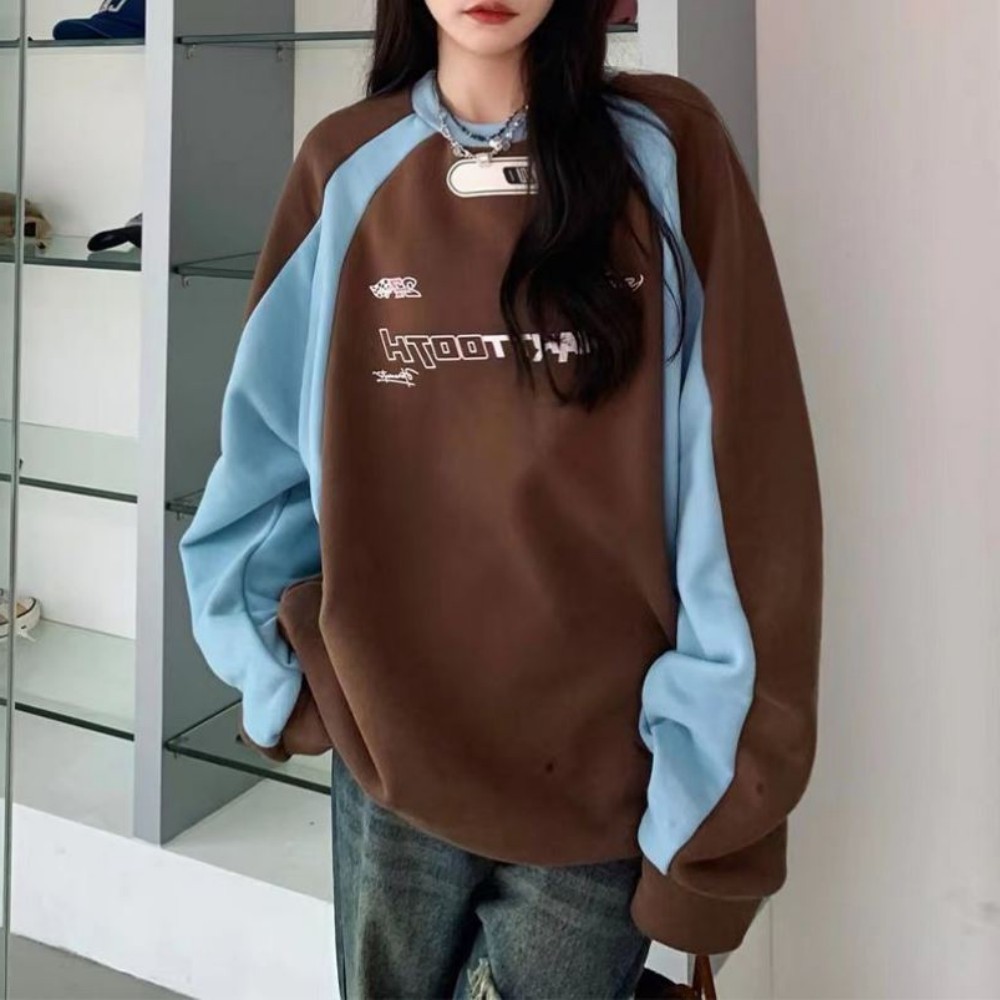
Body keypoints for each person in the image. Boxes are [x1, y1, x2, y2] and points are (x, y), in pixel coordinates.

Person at [178, 0, 824, 996]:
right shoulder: (345, 165)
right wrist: (279, 671)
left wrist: (712, 820)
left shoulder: (666, 153)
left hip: (606, 787)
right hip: (390, 771)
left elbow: (745, 503)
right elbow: (265, 460)